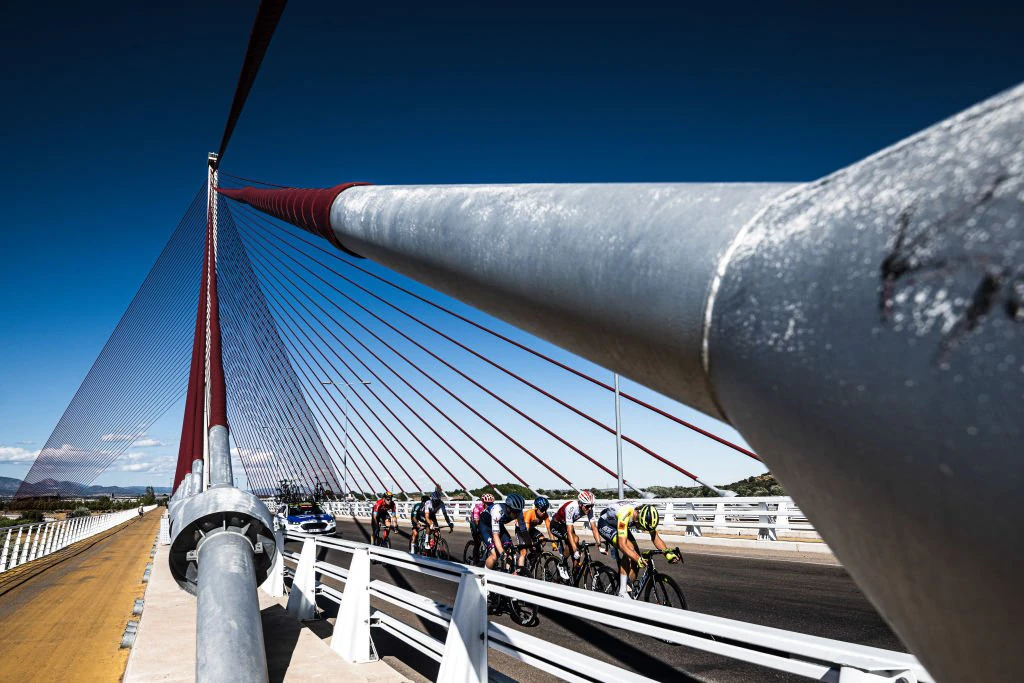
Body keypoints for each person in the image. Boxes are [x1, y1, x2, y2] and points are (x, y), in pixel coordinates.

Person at [596, 501, 680, 598]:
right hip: (606, 524)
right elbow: (623, 546)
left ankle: (628, 587)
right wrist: (637, 558)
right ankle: (622, 592)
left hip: (621, 525)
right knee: (629, 550)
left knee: (635, 556)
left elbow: (655, 538)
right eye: (641, 527)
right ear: (638, 518)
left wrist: (668, 554)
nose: (642, 529)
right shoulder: (625, 513)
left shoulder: (646, 516)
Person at [549, 490, 603, 580]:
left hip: (566, 525)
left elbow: (594, 528)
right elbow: (569, 532)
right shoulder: (571, 508)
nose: (590, 509)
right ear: (580, 504)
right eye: (587, 506)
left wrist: (599, 544)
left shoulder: (589, 509)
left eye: (592, 506)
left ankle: (574, 578)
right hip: (556, 525)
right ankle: (561, 564)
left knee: (576, 555)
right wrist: (575, 551)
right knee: (575, 540)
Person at [480, 493, 525, 570]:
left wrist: (529, 544)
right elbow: (496, 535)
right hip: (486, 526)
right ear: (508, 508)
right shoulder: (498, 510)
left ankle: (507, 573)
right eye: (515, 511)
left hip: (499, 526)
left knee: (509, 550)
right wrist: (501, 552)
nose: (516, 514)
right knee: (494, 556)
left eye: (518, 511)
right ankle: (484, 575)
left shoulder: (519, 513)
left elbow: (524, 531)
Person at [515, 496, 552, 573]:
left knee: (542, 540)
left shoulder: (545, 515)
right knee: (524, 551)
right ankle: (519, 573)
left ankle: (532, 556)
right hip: (521, 530)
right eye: (542, 510)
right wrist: (530, 543)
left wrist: (553, 543)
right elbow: (526, 532)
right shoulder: (529, 514)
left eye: (545, 510)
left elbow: (549, 528)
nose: (544, 512)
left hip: (530, 529)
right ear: (536, 508)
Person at [468, 492, 495, 564]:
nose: (489, 505)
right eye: (487, 504)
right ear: (483, 502)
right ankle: (475, 560)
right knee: (478, 542)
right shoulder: (477, 507)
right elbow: (476, 521)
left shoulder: (493, 508)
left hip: (485, 523)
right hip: (475, 523)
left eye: (491, 503)